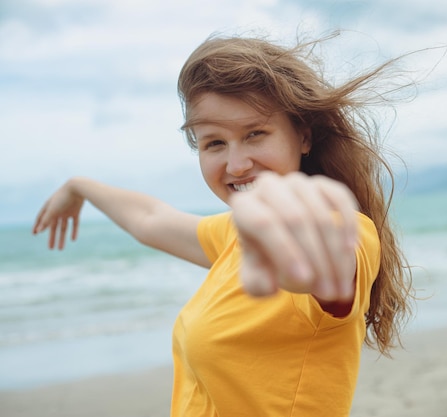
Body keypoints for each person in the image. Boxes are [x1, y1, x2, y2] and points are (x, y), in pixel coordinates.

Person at [32, 33, 413, 417]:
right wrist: (79, 187)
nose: (236, 165)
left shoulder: (344, 228)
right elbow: (152, 219)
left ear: (303, 137)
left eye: (255, 134)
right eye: (214, 143)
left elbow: (321, 267)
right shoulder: (234, 234)